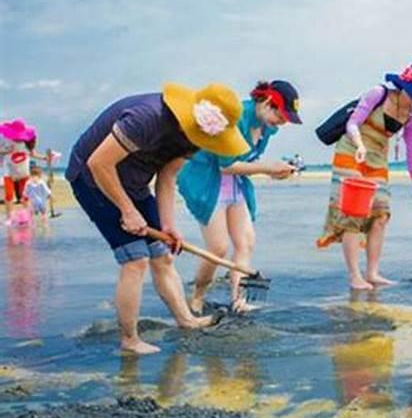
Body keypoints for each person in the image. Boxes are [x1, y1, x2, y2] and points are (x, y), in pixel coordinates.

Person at [65, 82, 248, 354]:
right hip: (93, 180)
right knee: (135, 259)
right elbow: (98, 163)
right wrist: (127, 210)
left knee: (163, 255)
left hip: (135, 184)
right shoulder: (147, 118)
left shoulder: (195, 138)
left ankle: (186, 319)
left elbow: (167, 176)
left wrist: (167, 225)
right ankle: (129, 340)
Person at [178, 80, 301, 314]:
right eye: (282, 115)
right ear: (267, 102)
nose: (283, 122)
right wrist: (267, 168)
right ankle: (197, 296)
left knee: (246, 242)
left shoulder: (267, 127)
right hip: (206, 179)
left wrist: (276, 173)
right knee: (218, 247)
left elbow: (247, 162)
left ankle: (239, 299)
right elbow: (226, 165)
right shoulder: (237, 117)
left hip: (234, 184)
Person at [316, 63, 412, 290]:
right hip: (351, 151)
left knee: (381, 213)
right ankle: (355, 276)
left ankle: (372, 273)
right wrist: (360, 145)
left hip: (378, 159)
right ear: (402, 86)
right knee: (353, 212)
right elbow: (353, 123)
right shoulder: (378, 94)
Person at [0, 120, 48, 222]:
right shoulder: (5, 140)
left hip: (23, 170)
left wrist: (45, 158)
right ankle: (9, 218)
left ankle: (26, 216)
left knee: (25, 194)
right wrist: (5, 151)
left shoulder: (26, 143)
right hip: (8, 170)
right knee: (9, 194)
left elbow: (33, 154)